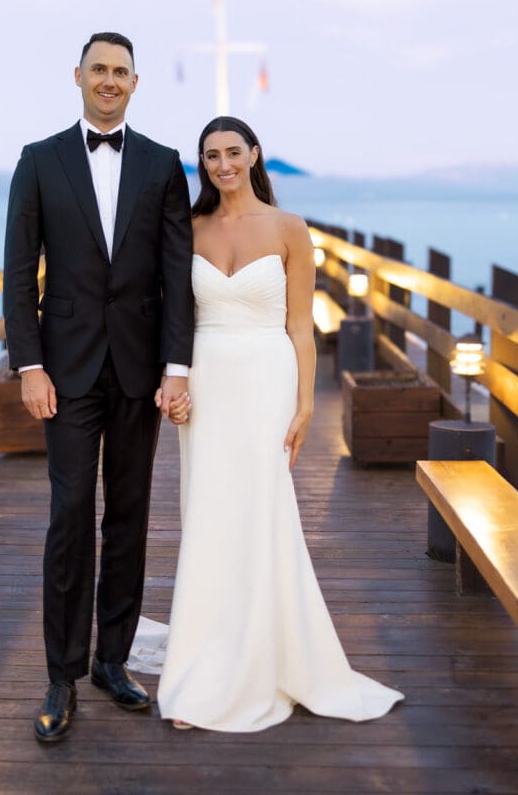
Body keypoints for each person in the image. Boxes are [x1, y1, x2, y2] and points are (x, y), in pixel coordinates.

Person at [150, 116, 403, 731]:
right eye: (210, 155)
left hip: (266, 378)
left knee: (262, 509)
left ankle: (263, 656)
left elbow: (299, 327)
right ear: (202, 164)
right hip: (208, 378)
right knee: (208, 513)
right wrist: (172, 378)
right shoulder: (189, 226)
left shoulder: (290, 229)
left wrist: (307, 404)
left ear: (254, 154)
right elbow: (172, 315)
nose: (222, 164)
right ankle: (205, 663)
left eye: (233, 152)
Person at [3, 32, 195, 743]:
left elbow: (177, 275)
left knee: (131, 515)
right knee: (71, 512)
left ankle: (113, 660)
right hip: (67, 369)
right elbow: (20, 272)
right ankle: (61, 674)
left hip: (141, 371)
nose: (109, 81)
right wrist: (29, 364)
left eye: (121, 72)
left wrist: (178, 367)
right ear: (77, 77)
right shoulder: (39, 161)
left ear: (136, 83)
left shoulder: (163, 165)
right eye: (99, 70)